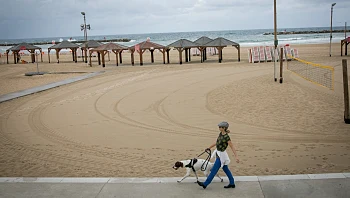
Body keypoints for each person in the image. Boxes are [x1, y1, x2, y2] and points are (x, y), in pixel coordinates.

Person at [197, 121, 239, 189]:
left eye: (220, 127)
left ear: (224, 128)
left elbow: (232, 147)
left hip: (222, 156)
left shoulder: (226, 137)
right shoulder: (220, 134)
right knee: (226, 169)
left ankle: (205, 184)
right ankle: (232, 183)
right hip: (218, 154)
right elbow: (216, 142)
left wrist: (236, 156)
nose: (219, 128)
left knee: (213, 170)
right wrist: (209, 147)